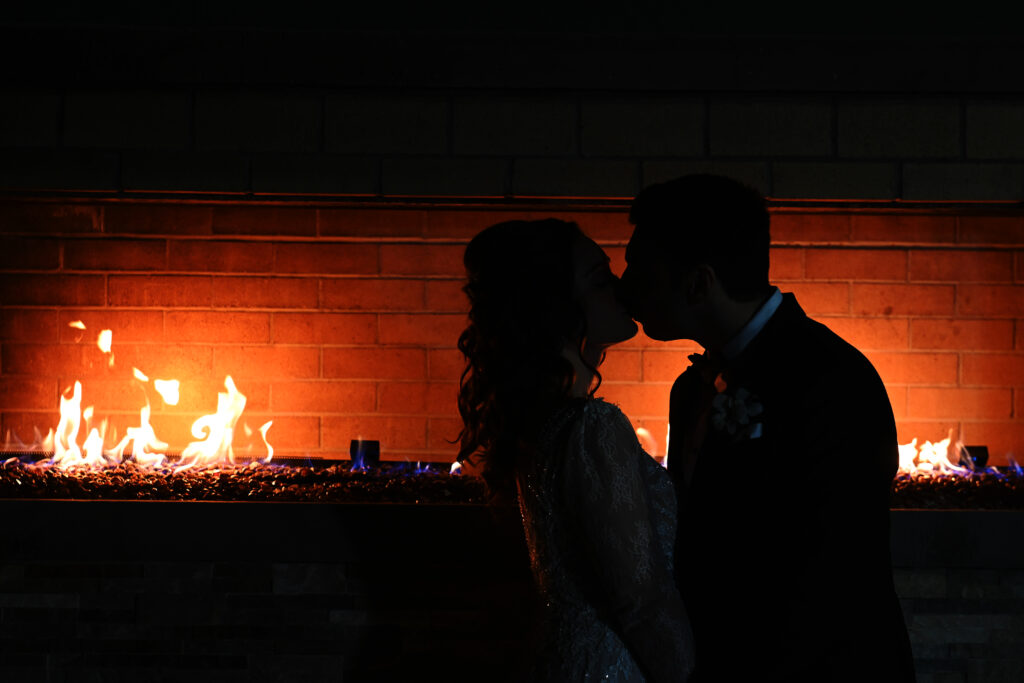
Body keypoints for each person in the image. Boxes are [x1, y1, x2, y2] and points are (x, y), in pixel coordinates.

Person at [620, 174, 916, 683]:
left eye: (639, 269)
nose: (624, 288)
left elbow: (834, 572)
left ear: (698, 284)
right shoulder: (690, 389)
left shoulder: (832, 378)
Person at [455, 219, 695, 682]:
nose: (622, 288)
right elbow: (640, 599)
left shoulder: (543, 422)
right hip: (611, 667)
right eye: (599, 278)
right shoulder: (592, 426)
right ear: (555, 306)